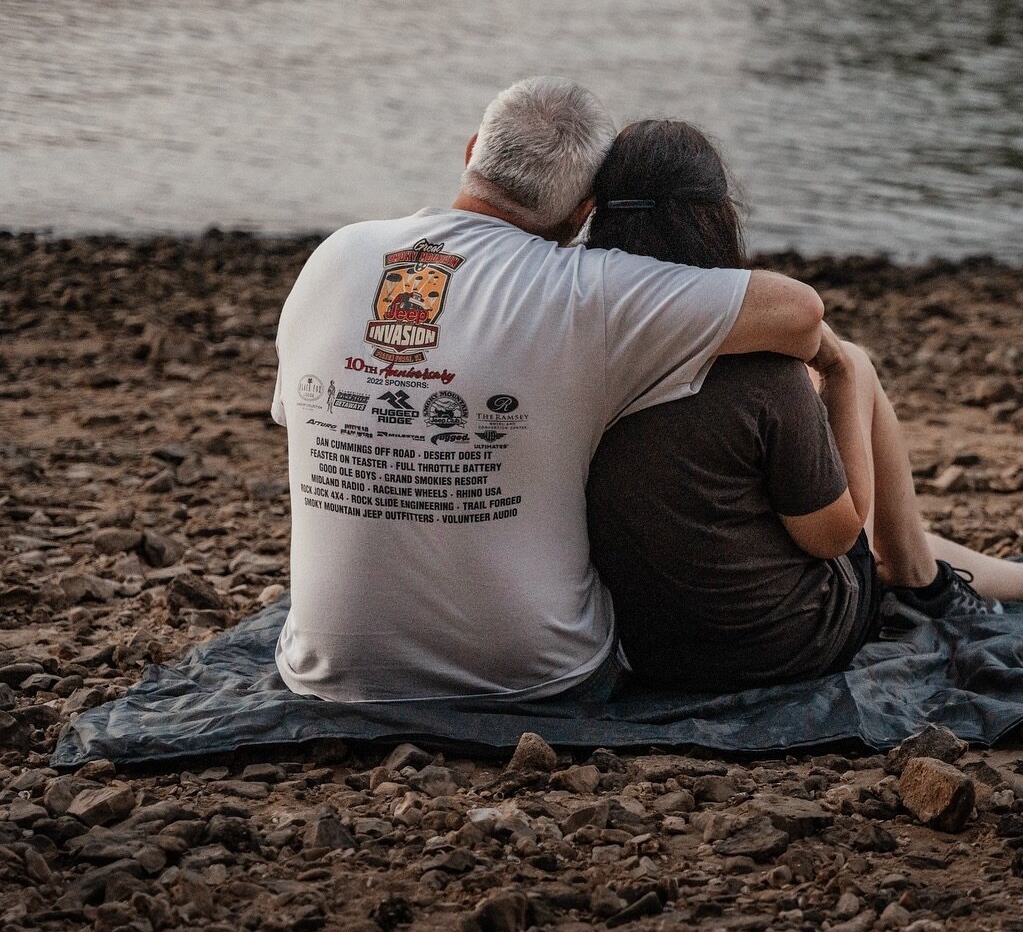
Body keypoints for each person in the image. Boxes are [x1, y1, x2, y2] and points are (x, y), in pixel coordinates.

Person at [270, 79, 829, 703]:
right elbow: (799, 312)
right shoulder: (585, 292)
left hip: (327, 669)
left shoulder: (337, 255)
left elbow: (303, 422)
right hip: (539, 678)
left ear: (472, 150)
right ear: (584, 210)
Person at [585, 120, 1023, 692]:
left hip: (643, 646)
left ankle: (1008, 578)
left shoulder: (569, 347)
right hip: (780, 645)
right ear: (716, 216)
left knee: (762, 494)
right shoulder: (764, 370)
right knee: (854, 364)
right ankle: (940, 580)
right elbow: (836, 539)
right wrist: (835, 375)